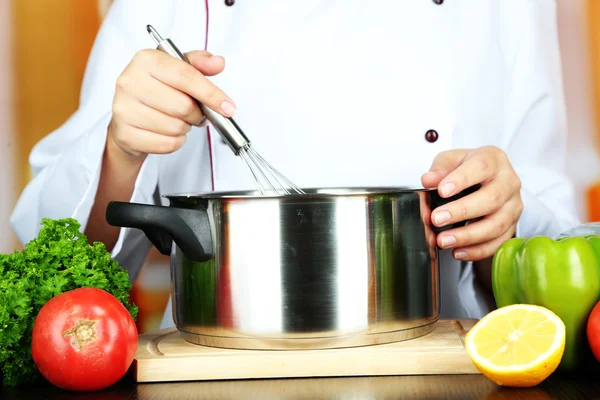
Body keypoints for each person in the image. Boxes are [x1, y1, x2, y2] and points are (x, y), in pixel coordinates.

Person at [10, 0, 580, 329]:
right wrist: (119, 150)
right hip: (218, 370)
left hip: (435, 367)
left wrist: (502, 214)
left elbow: (555, 236)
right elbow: (54, 256)